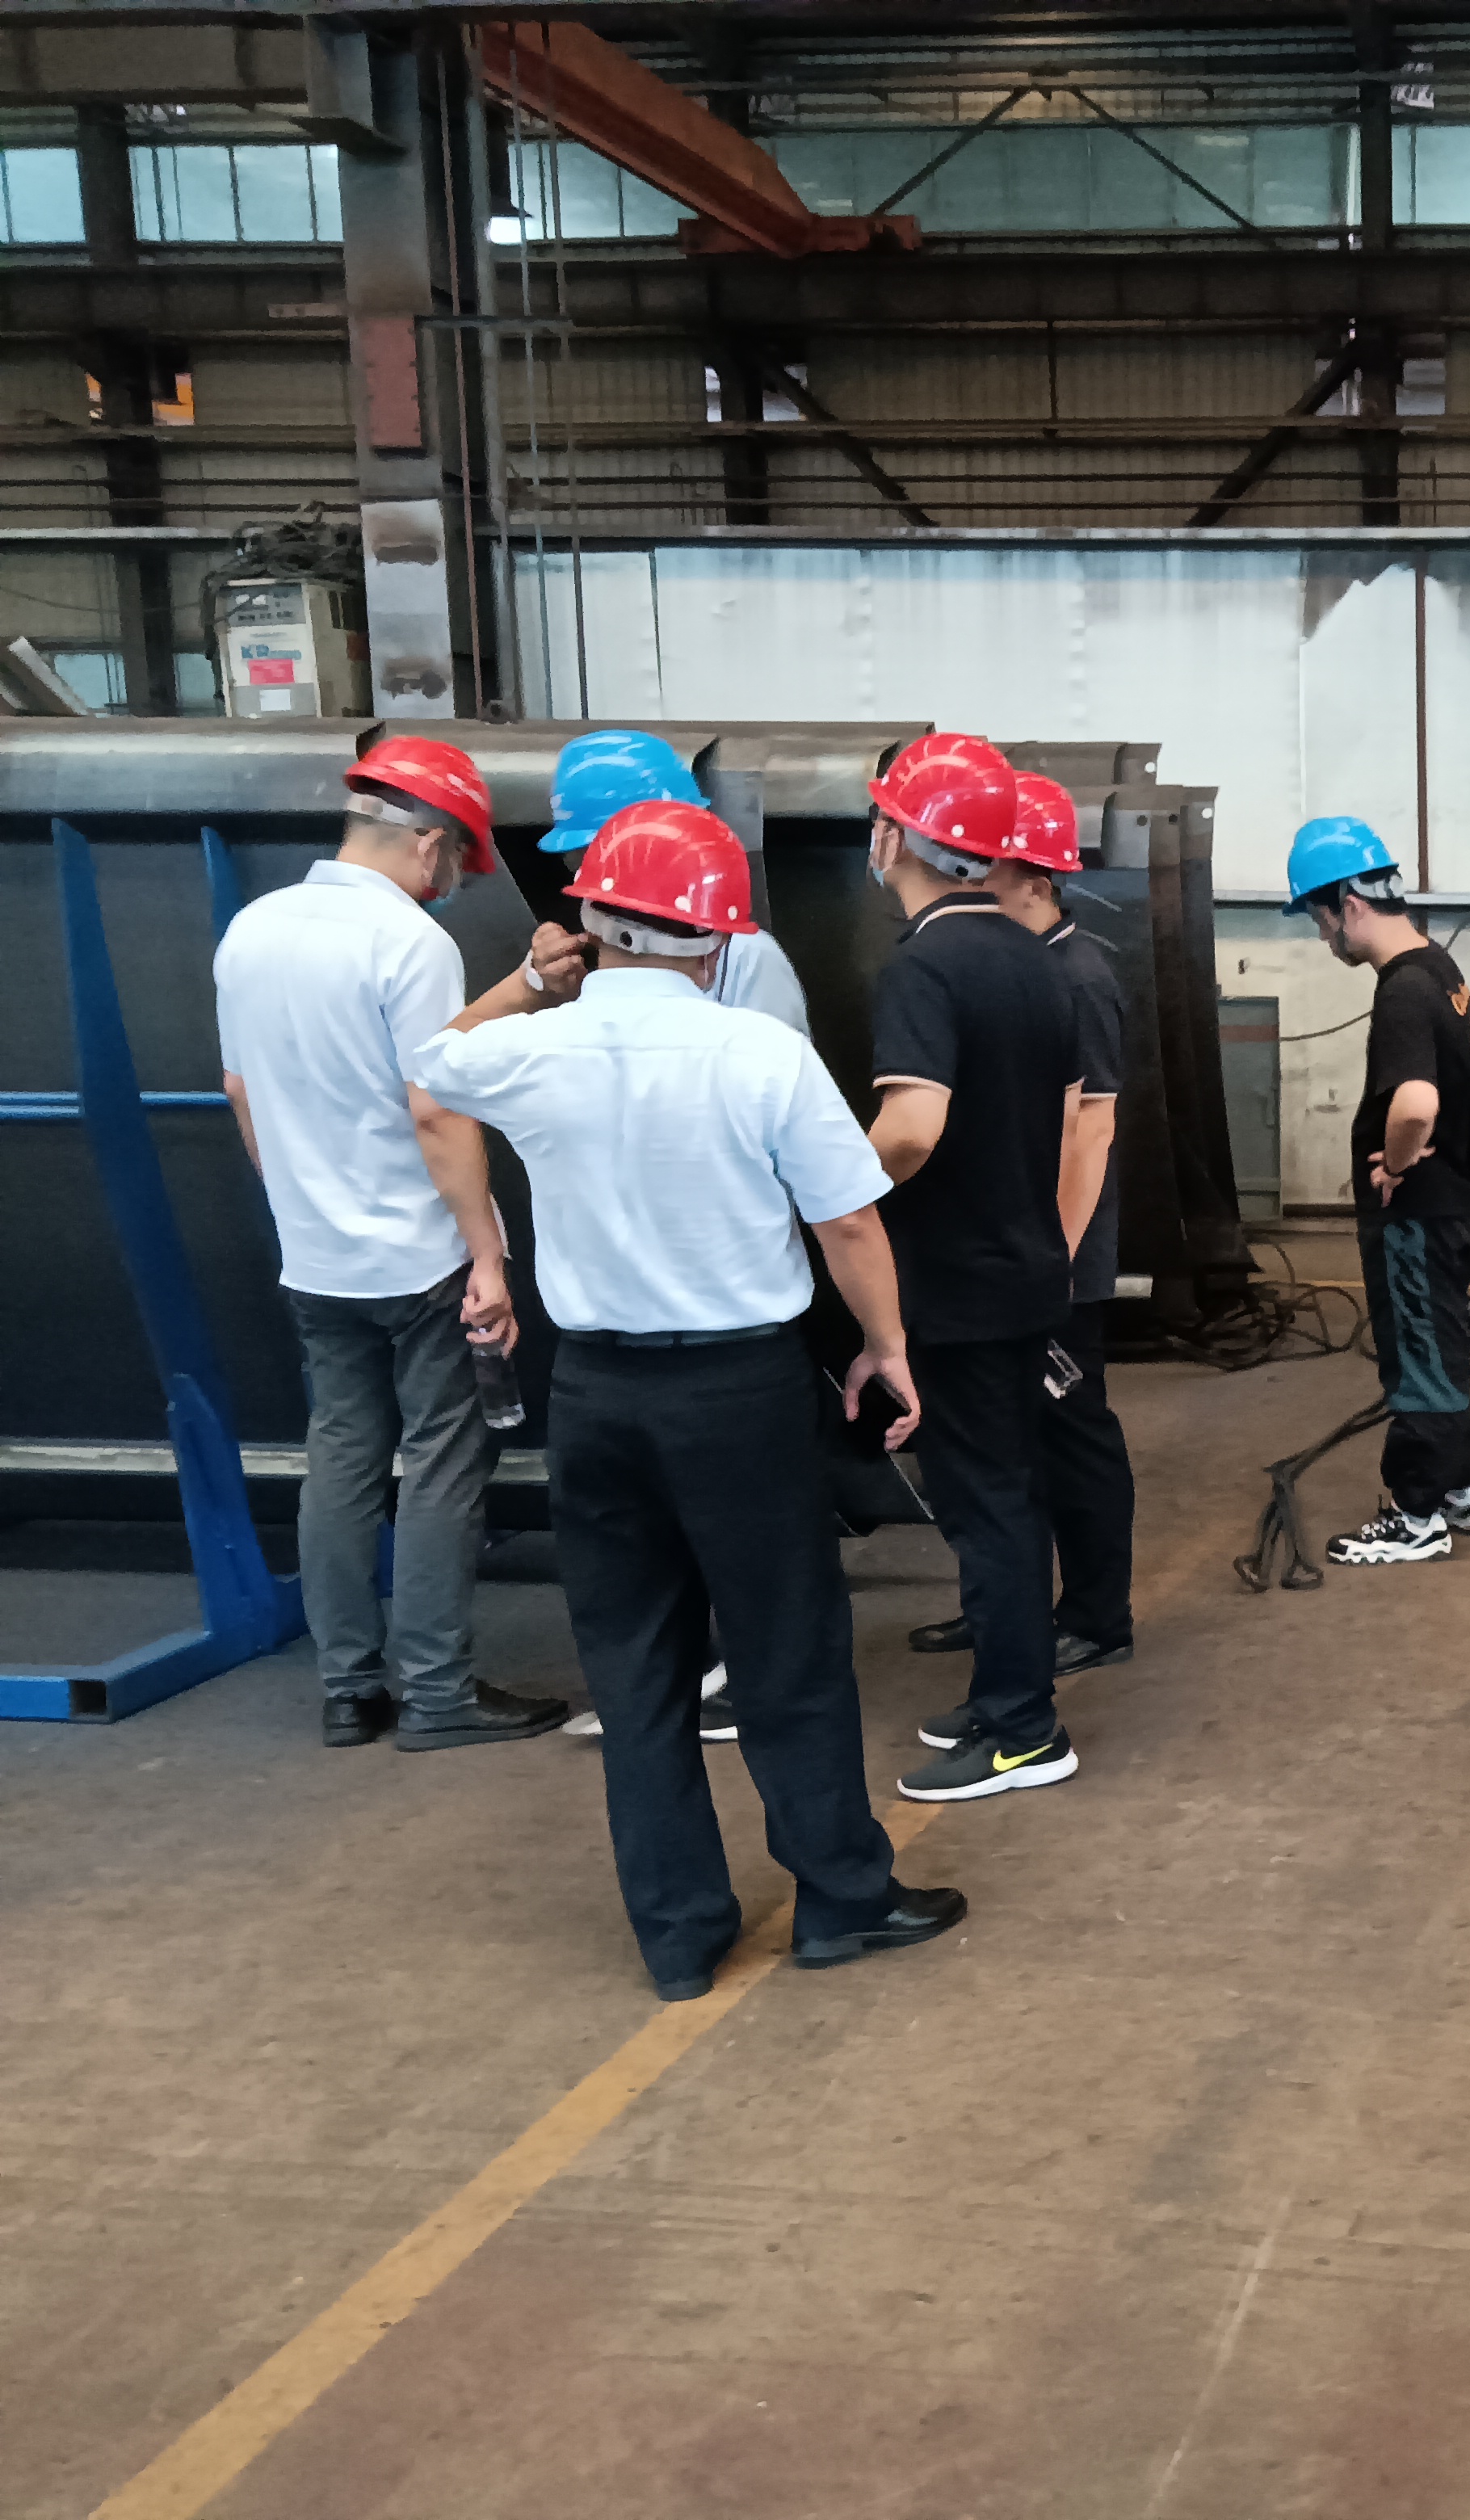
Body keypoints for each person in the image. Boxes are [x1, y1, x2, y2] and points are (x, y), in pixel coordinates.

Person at [405, 800, 962, 1997]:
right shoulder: (758, 1053)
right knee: (786, 1650)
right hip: (739, 1392)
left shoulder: (537, 1048)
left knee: (634, 1664)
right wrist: (886, 1345)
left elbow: (435, 1064)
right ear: (717, 939)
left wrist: (529, 981)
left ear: (588, 919)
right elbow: (848, 1221)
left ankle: (678, 1934)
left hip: (597, 1393)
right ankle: (840, 1902)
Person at [212, 733, 561, 1752]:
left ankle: (349, 1690)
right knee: (445, 1460)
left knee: (343, 1456)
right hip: (419, 1257)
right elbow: (435, 1105)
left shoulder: (252, 930)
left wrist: (301, 1204)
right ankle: (440, 1694)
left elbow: (240, 1090)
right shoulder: (409, 941)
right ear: (432, 843)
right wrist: (488, 1254)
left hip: (317, 1257)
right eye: (457, 866)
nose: (450, 887)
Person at [529, 729, 811, 1747]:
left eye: (590, 847)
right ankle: (680, 1676)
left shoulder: (744, 958)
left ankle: (735, 1676)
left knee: (743, 1532)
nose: (582, 871)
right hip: (621, 1295)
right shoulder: (590, 970)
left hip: (716, 1292)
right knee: (650, 1538)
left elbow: (783, 1129)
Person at [863, 731, 1089, 1803]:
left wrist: (830, 1194)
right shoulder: (1035, 959)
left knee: (986, 1505)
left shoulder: (924, 965)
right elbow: (1059, 1121)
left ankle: (1022, 1729)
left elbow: (911, 1129)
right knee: (1002, 1496)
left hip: (956, 1282)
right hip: (1021, 1269)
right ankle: (1006, 1692)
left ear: (902, 838)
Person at [906, 770, 1137, 1697]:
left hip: (1054, 1261)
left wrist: (1055, 1261)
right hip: (1018, 1255)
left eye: (988, 869)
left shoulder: (1078, 976)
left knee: (1071, 1435)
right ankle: (1006, 1602)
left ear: (1034, 880)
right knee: (1005, 1444)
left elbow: (1092, 1129)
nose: (967, 880)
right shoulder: (1017, 967)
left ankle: (1095, 1617)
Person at [1286, 816, 1470, 1566]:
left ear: (1348, 904)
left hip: (1417, 1214)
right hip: (1457, 1204)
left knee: (1416, 1357)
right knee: (1439, 1345)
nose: (1323, 937)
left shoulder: (1403, 991)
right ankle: (1461, 1485)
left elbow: (1415, 1103)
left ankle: (1416, 1515)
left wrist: (1396, 1166)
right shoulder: (1439, 968)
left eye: (1318, 919)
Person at [527, 728, 811, 1035]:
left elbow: (781, 1060)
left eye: (617, 853)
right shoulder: (574, 947)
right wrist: (535, 985)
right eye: (582, 858)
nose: (599, 874)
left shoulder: (745, 956)